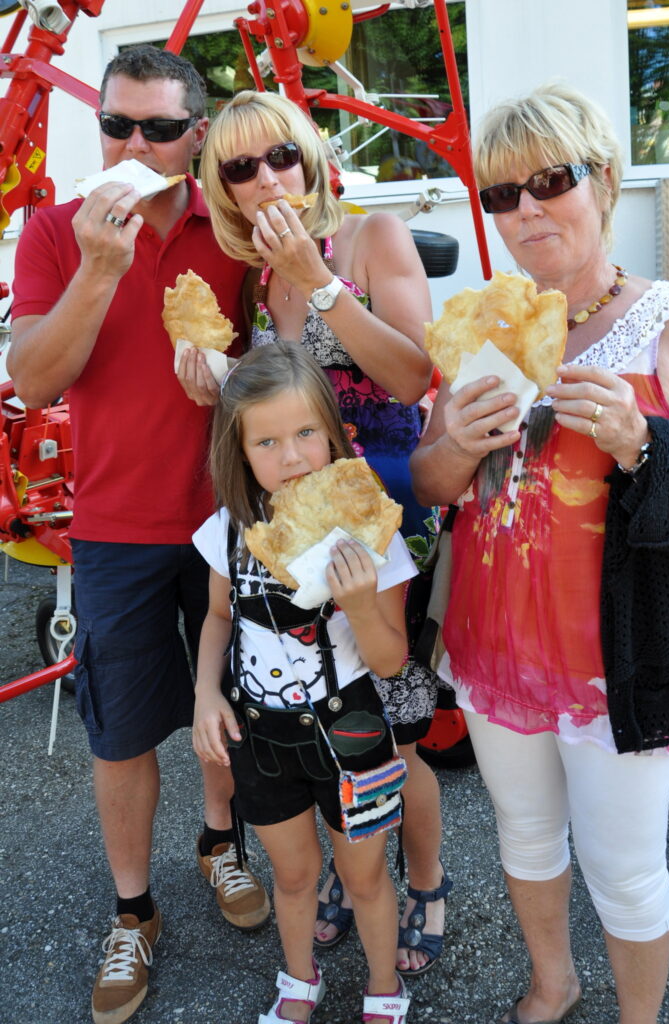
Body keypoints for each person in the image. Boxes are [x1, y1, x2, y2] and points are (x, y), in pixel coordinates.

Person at [410, 82, 669, 1024]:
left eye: (548, 181)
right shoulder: (478, 321)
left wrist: (647, 445)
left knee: (626, 870)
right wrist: (454, 444)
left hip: (619, 657)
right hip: (491, 645)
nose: (524, 210)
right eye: (500, 193)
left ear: (602, 179)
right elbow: (433, 485)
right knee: (523, 835)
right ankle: (552, 982)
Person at [8, 45, 269, 1024]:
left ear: (196, 135)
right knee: (119, 733)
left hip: (226, 518)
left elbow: (286, 360)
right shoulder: (54, 231)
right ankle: (134, 911)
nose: (136, 143)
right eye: (119, 124)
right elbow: (34, 377)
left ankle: (220, 843)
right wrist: (100, 271)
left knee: (225, 712)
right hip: (114, 525)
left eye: (160, 128)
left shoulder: (237, 228)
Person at [194, 88, 452, 976]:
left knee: (396, 719)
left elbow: (418, 374)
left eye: (283, 157)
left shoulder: (371, 238)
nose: (268, 178)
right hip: (298, 529)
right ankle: (358, 864)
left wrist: (323, 280)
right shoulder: (259, 273)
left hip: (383, 506)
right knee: (327, 705)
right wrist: (217, 388)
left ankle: (425, 883)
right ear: (223, 188)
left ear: (311, 158)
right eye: (241, 167)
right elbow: (279, 407)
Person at [192, 341, 414, 1024]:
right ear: (239, 449)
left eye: (305, 434)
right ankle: (298, 980)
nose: (290, 457)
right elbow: (218, 618)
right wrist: (205, 694)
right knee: (292, 876)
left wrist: (359, 600)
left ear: (332, 434)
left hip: (355, 736)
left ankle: (384, 987)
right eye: (267, 441)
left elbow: (390, 663)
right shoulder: (232, 529)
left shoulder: (372, 532)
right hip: (263, 740)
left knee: (365, 876)